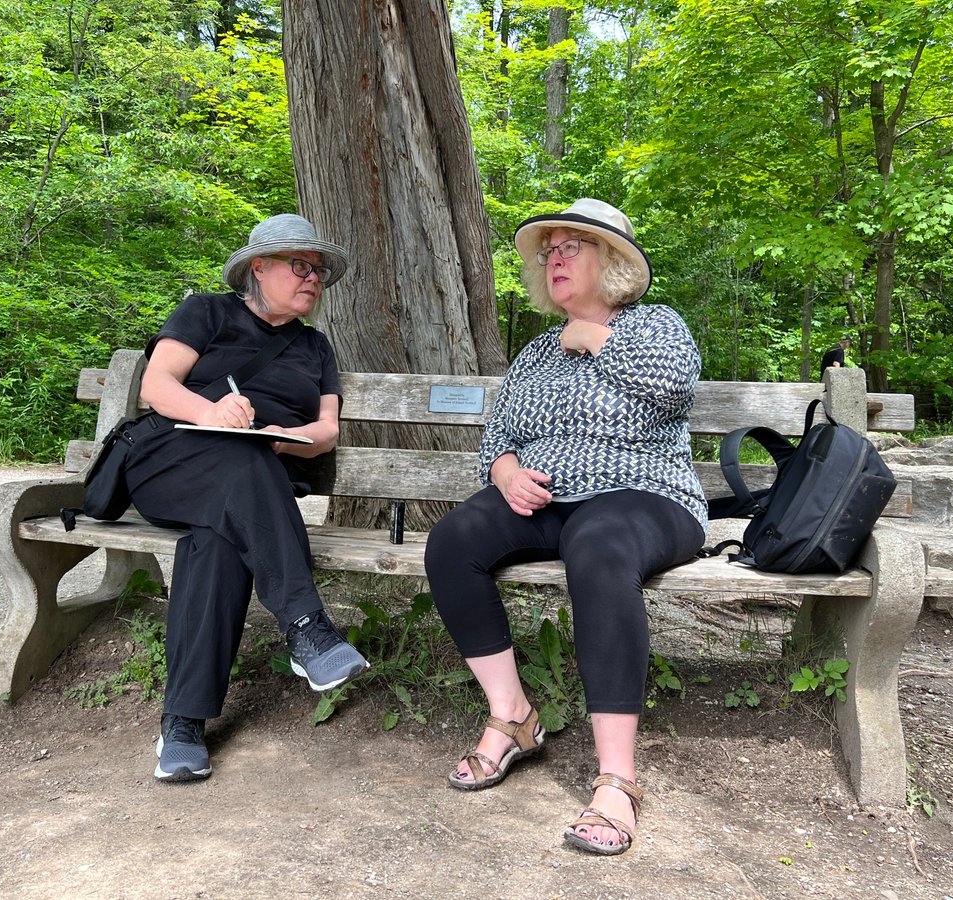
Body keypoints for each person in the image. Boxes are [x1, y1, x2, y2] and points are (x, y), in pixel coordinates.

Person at [424, 198, 708, 856]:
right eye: (547, 250)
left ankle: (617, 778)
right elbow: (498, 431)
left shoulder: (655, 324)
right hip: (545, 498)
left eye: (569, 247)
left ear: (610, 263)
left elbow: (674, 388)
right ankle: (513, 714)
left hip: (645, 493)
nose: (553, 258)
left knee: (598, 544)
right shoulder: (535, 353)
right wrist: (502, 471)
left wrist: (598, 340)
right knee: (454, 540)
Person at [124, 213, 369, 783]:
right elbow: (156, 388)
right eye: (300, 266)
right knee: (239, 464)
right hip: (174, 463)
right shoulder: (206, 312)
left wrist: (282, 443)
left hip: (257, 478)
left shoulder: (315, 346)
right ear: (259, 268)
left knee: (216, 541)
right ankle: (307, 627)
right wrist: (214, 414)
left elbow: (326, 429)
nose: (314, 277)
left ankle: (183, 723)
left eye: (319, 271)